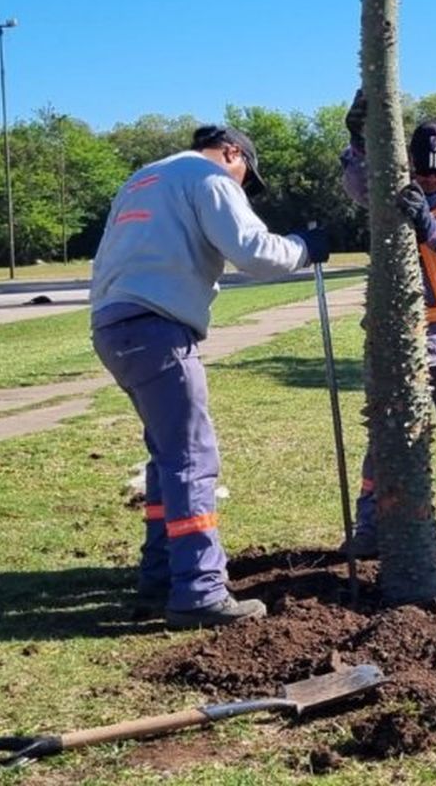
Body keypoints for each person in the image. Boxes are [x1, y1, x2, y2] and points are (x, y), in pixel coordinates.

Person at [90, 125, 328, 629]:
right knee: (192, 458)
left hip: (114, 326)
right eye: (246, 178)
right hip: (157, 327)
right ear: (232, 153)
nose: (243, 189)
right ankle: (198, 590)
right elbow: (253, 252)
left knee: (167, 454)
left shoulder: (143, 178)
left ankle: (160, 576)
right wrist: (304, 247)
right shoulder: (209, 176)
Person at [340, 91, 436, 559]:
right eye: (421, 171)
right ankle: (370, 525)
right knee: (384, 430)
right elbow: (359, 185)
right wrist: (359, 143)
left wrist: (426, 220)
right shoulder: (395, 189)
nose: (428, 180)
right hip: (400, 334)